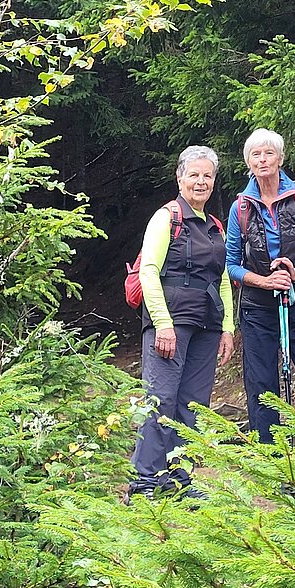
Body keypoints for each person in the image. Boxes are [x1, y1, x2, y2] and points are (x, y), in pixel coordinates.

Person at [126, 145, 234, 502]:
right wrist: (163, 324)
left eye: (207, 176)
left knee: (193, 404)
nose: (201, 182)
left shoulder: (215, 226)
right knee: (160, 400)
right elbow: (148, 271)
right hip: (170, 323)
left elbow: (221, 279)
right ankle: (144, 482)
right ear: (180, 178)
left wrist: (228, 328)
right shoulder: (166, 218)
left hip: (207, 325)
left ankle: (178, 479)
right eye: (194, 175)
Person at [226, 128, 295, 445]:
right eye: (256, 154)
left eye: (269, 153)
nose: (263, 160)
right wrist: (265, 281)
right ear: (248, 162)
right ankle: (271, 458)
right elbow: (231, 264)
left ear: (280, 158)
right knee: (261, 383)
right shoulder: (241, 207)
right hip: (257, 309)